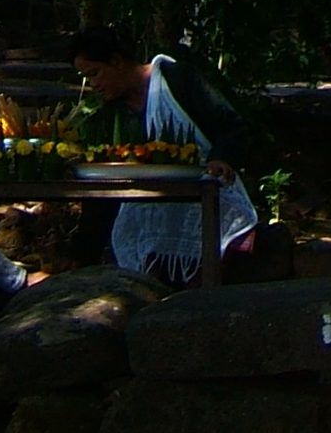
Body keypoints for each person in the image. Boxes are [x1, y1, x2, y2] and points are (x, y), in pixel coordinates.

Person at [70, 27, 256, 283]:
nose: (93, 84)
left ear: (116, 61)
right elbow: (105, 176)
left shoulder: (177, 80)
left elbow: (232, 126)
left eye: (95, 73)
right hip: (142, 212)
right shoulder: (112, 113)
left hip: (203, 196)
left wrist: (221, 158)